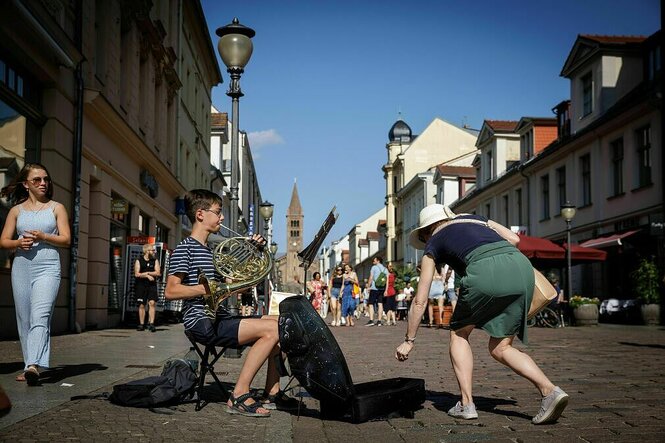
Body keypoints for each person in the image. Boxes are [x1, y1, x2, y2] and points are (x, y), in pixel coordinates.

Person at [395, 204, 569, 425]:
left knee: (459, 334)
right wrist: (486, 231)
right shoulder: (476, 219)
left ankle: (466, 404)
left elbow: (420, 300)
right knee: (501, 347)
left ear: (425, 232)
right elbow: (515, 239)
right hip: (522, 268)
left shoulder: (433, 243)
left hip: (483, 270)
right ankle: (550, 391)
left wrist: (409, 340)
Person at [165, 189, 297, 417]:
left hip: (220, 317)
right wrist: (208, 289)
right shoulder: (185, 248)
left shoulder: (212, 252)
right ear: (200, 214)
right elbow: (171, 291)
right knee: (273, 329)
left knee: (282, 323)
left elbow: (236, 285)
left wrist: (252, 251)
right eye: (217, 212)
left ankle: (271, 392)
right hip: (201, 321)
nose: (222, 217)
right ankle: (239, 394)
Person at [0, 163, 71, 386]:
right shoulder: (16, 211)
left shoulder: (56, 208)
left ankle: (32, 365)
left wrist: (44, 236)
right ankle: (29, 363)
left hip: (48, 266)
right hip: (21, 267)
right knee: (25, 318)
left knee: (41, 314)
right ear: (26, 184)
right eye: (37, 180)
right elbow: (3, 241)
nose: (43, 183)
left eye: (46, 179)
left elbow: (67, 239)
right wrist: (19, 243)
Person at [134, 244, 161, 332]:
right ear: (147, 251)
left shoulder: (155, 260)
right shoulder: (139, 260)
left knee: (152, 303)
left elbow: (158, 273)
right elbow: (137, 274)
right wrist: (146, 276)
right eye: (152, 250)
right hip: (141, 285)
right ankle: (141, 324)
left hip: (152, 285)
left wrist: (147, 273)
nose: (154, 252)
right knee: (142, 304)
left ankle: (151, 324)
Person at [366, 256, 387, 326]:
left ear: (378, 261)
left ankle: (371, 320)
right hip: (382, 288)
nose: (373, 261)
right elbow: (387, 280)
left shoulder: (374, 267)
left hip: (374, 288)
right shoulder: (385, 269)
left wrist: (368, 286)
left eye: (374, 260)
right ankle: (379, 321)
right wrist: (386, 290)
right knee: (380, 304)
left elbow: (371, 277)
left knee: (371, 304)